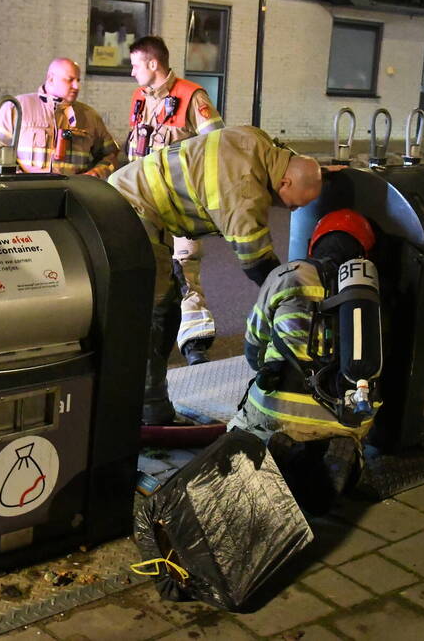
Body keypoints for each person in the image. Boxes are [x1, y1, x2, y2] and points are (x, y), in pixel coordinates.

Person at [107, 125, 324, 425]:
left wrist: (318, 172)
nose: (291, 210)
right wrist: (293, 300)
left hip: (135, 196)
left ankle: (136, 401)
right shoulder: (245, 191)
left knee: (161, 302)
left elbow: (290, 157)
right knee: (158, 312)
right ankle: (148, 407)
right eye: (295, 204)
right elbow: (257, 262)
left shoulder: (258, 141)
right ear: (284, 182)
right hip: (132, 209)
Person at [229, 209, 378, 514]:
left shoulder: (287, 275)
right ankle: (345, 450)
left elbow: (254, 343)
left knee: (237, 434)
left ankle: (272, 445)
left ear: (314, 244)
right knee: (333, 458)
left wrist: (264, 369)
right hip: (349, 412)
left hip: (281, 407)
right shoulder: (371, 292)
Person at [126, 36, 225, 366]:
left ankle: (195, 342)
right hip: (145, 204)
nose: (131, 72)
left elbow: (217, 147)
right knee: (149, 270)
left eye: (135, 65)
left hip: (181, 205)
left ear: (153, 64)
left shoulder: (192, 96)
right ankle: (152, 343)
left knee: (185, 270)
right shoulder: (140, 99)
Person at [0, 57, 119, 179]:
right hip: (26, 194)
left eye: (78, 80)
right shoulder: (16, 108)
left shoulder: (89, 116)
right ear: (50, 79)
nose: (76, 86)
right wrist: (18, 181)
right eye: (70, 79)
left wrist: (95, 175)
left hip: (73, 196)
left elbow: (111, 155)